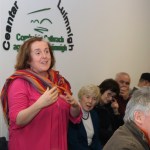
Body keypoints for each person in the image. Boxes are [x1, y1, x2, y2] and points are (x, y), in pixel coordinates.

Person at [0, 37, 82, 150]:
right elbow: (17, 120)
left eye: (47, 51)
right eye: (38, 53)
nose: (44, 56)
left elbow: (73, 116)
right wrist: (40, 104)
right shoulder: (19, 82)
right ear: (28, 59)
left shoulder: (59, 81)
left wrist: (75, 106)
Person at [68, 84, 102, 150]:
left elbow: (96, 140)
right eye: (87, 97)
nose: (90, 101)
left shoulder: (94, 114)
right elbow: (73, 143)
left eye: (94, 99)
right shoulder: (73, 113)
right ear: (81, 97)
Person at [94, 79, 123, 146]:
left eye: (112, 96)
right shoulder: (93, 106)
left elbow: (120, 127)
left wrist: (116, 111)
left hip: (110, 142)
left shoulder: (109, 106)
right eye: (109, 94)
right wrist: (115, 135)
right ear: (101, 90)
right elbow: (97, 130)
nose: (110, 98)